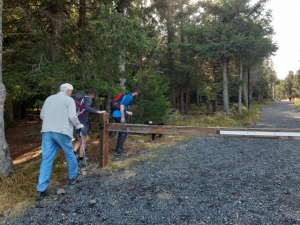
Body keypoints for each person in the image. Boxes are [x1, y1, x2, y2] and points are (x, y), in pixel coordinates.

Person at [36, 83, 84, 201]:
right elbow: (72, 117)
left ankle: (41, 189)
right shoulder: (69, 100)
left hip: (47, 130)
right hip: (62, 131)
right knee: (69, 153)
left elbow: (42, 115)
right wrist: (79, 125)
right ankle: (73, 177)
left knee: (46, 158)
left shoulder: (49, 99)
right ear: (69, 91)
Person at [73, 88, 106, 166]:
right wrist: (98, 111)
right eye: (94, 96)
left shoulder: (80, 98)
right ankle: (81, 159)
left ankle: (72, 156)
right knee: (83, 141)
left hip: (75, 121)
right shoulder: (88, 98)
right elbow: (87, 107)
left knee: (79, 140)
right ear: (92, 94)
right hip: (83, 122)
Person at [112, 86, 141, 156]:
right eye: (138, 92)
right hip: (118, 115)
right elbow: (121, 105)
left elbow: (123, 106)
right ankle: (118, 150)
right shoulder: (129, 97)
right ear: (135, 92)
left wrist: (127, 112)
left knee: (125, 132)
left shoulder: (128, 96)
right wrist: (122, 117)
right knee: (122, 133)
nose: (138, 94)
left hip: (117, 114)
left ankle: (120, 147)